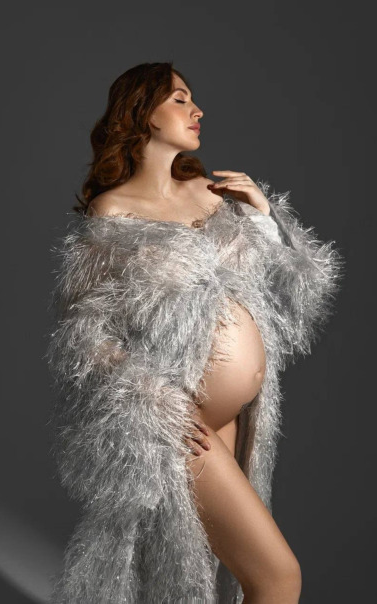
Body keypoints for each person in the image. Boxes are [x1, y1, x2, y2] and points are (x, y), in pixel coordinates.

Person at [46, 62, 345, 603]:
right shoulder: (113, 211)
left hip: (235, 415)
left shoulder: (213, 193)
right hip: (184, 423)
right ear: (143, 112)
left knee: (203, 584)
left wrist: (263, 217)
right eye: (180, 99)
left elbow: (295, 297)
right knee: (277, 577)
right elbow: (83, 337)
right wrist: (155, 399)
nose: (197, 110)